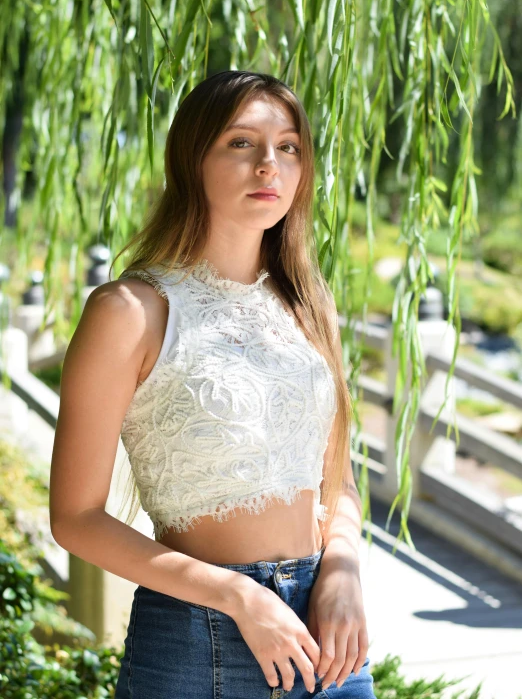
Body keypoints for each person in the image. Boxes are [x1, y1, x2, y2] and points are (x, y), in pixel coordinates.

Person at [49, 70, 376, 698]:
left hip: (327, 640)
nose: (268, 167)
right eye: (240, 143)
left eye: (288, 147)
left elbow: (337, 479)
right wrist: (238, 598)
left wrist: (342, 570)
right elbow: (76, 517)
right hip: (198, 637)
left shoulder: (311, 306)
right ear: (190, 158)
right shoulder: (130, 311)